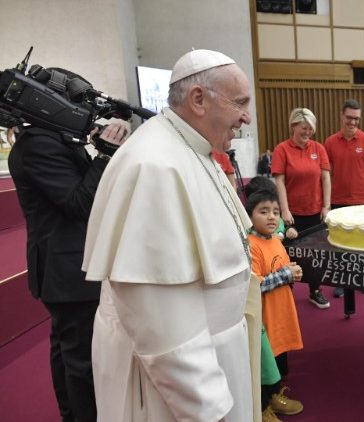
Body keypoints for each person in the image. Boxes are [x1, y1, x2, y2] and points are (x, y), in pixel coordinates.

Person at [82, 49, 262, 421]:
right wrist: (208, 407)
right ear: (198, 99)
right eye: (240, 103)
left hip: (219, 353)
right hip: (180, 389)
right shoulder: (155, 165)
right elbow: (160, 320)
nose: (246, 117)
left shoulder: (193, 151)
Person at [9, 73, 129, 421]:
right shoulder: (39, 144)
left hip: (67, 268)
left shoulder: (54, 139)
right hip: (68, 271)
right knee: (83, 361)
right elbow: (79, 203)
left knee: (67, 352)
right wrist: (105, 155)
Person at [244, 187, 304, 422]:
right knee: (264, 363)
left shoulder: (275, 241)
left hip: (281, 314)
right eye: (264, 211)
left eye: (276, 212)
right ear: (249, 215)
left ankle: (275, 397)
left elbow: (281, 268)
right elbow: (254, 286)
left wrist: (292, 273)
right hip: (264, 319)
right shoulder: (250, 245)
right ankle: (261, 408)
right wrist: (286, 275)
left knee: (279, 360)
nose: (271, 217)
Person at [272, 107, 332, 309]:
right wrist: (284, 209)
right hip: (292, 214)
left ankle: (315, 291)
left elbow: (325, 178)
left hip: (315, 211)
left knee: (316, 254)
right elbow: (279, 181)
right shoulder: (282, 149)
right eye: (303, 128)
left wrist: (326, 206)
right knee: (290, 254)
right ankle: (286, 292)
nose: (307, 133)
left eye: (311, 129)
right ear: (293, 126)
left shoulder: (318, 148)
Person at [325, 99, 364, 299]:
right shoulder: (330, 142)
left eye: (356, 119)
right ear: (342, 116)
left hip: (362, 202)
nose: (353, 122)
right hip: (338, 202)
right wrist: (326, 202)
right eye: (349, 118)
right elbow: (327, 175)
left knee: (363, 244)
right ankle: (343, 281)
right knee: (340, 244)